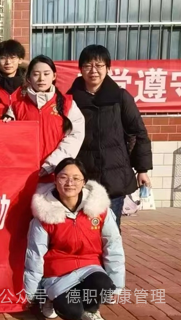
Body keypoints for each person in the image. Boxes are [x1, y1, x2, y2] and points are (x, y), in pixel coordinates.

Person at [24, 158, 125, 320]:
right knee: (72, 312)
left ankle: (91, 310)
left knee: (104, 285)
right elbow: (35, 254)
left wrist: (117, 284)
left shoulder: (99, 210)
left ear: (84, 182)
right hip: (57, 274)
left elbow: (113, 246)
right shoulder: (44, 213)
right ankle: (50, 298)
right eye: (63, 177)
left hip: (90, 269)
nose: (70, 183)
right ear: (55, 180)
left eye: (76, 178)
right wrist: (33, 293)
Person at [68, 45, 152, 230]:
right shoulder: (69, 100)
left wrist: (142, 169)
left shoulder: (120, 97)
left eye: (99, 65)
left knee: (111, 230)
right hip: (82, 177)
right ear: (80, 69)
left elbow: (139, 132)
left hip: (114, 177)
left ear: (108, 68)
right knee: (83, 230)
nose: (93, 71)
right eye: (88, 65)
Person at [12, 55, 85, 180]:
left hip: (56, 175)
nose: (41, 78)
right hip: (23, 176)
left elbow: (74, 137)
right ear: (28, 78)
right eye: (36, 74)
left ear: (54, 76)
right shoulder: (16, 107)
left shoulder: (67, 104)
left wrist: (52, 164)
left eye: (46, 74)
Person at [0, 39, 28, 106]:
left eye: (12, 58)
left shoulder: (29, 84)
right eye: (3, 58)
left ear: (20, 60)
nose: (8, 62)